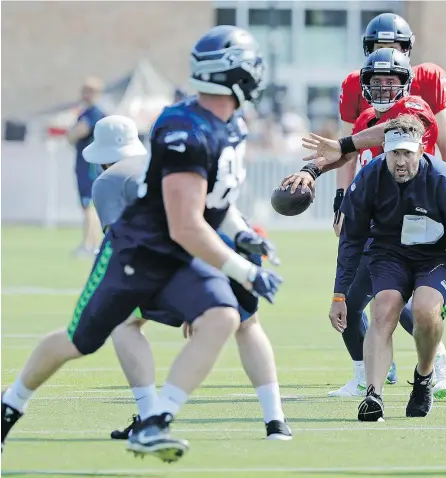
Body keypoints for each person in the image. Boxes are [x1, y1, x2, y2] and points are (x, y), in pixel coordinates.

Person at [1, 25, 283, 462]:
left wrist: (243, 232)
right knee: (78, 341)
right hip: (137, 253)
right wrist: (246, 271)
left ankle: (155, 422)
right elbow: (186, 224)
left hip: (178, 257)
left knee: (223, 317)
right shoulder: (184, 129)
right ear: (231, 73)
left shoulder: (232, 126)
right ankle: (10, 403)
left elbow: (215, 200)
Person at [84, 115, 290, 441]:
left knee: (124, 322)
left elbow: (121, 243)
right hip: (234, 241)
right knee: (249, 326)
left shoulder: (108, 181)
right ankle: (276, 421)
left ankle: (149, 415)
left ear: (103, 155)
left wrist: (196, 299)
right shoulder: (172, 159)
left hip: (192, 249)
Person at [282, 48, 446, 399]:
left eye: (390, 80)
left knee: (399, 304)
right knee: (351, 307)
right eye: (376, 81)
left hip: (412, 227)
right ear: (364, 84)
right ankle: (366, 376)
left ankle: (440, 364)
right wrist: (311, 171)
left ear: (405, 83)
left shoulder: (416, 109)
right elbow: (347, 153)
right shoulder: (365, 118)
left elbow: (390, 132)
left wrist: (343, 141)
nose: (383, 87)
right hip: (376, 227)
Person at [330, 114, 446, 421]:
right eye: (394, 153)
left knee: (425, 310)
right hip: (389, 252)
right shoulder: (368, 179)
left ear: (420, 151)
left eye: (407, 153)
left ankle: (424, 376)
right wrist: (339, 294)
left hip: (439, 254)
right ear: (385, 152)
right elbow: (351, 241)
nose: (400, 161)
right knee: (384, 308)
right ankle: (373, 396)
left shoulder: (445, 182)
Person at [334, 12, 446, 395]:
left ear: (408, 51)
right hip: (378, 207)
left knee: (387, 296)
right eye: (377, 48)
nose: (385, 57)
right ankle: (373, 371)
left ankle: (436, 360)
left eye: (395, 48)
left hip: (418, 206)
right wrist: (338, 197)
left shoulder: (421, 94)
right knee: (361, 298)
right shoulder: (362, 101)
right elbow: (350, 153)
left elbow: (413, 129)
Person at [67, 77, 106, 258]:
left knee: (88, 206)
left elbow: (78, 132)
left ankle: (89, 245)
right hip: (86, 166)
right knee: (90, 207)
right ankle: (93, 244)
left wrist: (70, 134)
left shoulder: (92, 113)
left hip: (89, 168)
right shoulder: (91, 112)